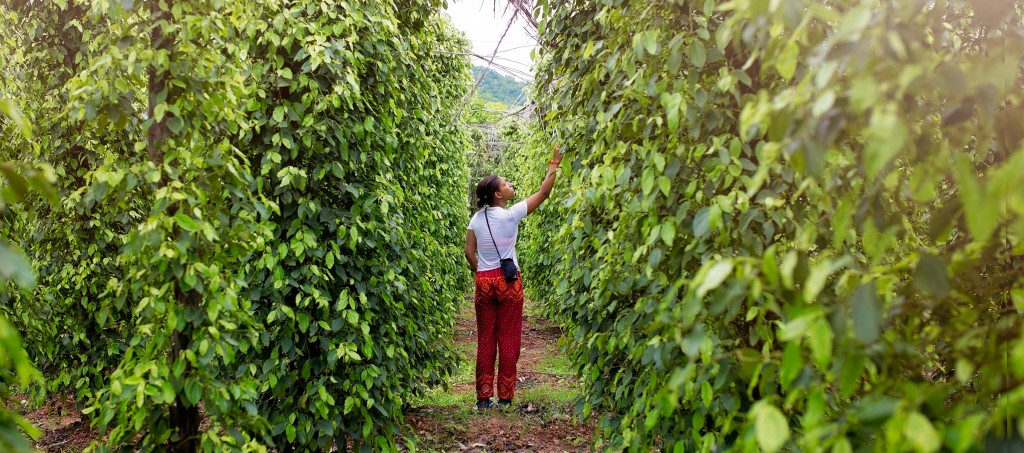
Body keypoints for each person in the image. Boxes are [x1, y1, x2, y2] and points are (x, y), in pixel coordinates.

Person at [464, 145, 564, 410]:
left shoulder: (476, 219)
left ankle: (483, 398)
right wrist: (554, 164)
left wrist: (482, 271)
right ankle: (505, 398)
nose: (510, 185)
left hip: (484, 281)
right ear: (498, 194)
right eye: (506, 184)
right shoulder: (511, 215)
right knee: (508, 337)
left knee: (486, 338)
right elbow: (544, 192)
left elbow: (468, 252)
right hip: (509, 282)